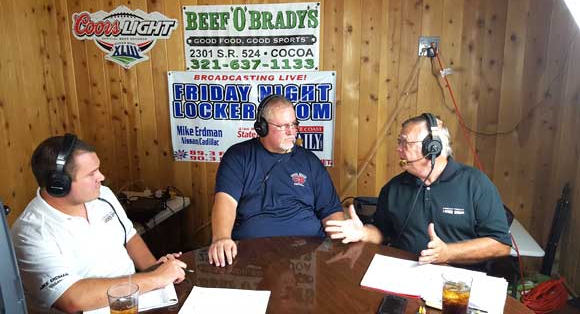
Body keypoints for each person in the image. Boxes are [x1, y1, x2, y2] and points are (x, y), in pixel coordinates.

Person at [11, 134, 187, 313]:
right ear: (59, 185)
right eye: (91, 174)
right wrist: (155, 279)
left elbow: (129, 236)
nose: (101, 177)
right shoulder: (30, 233)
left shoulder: (103, 194)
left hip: (134, 300)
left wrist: (156, 270)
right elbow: (72, 299)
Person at [325, 113, 511, 271]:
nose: (398, 150)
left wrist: (448, 253)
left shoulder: (476, 183)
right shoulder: (393, 188)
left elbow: (501, 245)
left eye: (404, 143)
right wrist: (364, 232)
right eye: (399, 142)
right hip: (405, 276)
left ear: (433, 147)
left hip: (459, 284)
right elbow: (383, 232)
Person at [208, 94, 344, 267]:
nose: (291, 131)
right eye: (283, 126)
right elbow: (225, 202)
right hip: (252, 257)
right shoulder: (238, 157)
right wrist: (221, 238)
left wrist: (341, 243)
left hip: (307, 255)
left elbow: (331, 211)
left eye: (294, 124)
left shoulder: (310, 161)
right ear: (262, 127)